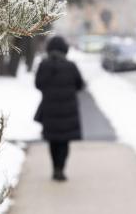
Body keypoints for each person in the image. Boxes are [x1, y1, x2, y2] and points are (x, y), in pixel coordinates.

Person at [34, 36, 84, 181]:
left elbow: (38, 84)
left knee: (53, 141)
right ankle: (61, 169)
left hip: (50, 109)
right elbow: (80, 85)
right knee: (64, 142)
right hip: (68, 110)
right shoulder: (71, 66)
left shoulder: (43, 65)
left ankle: (55, 168)